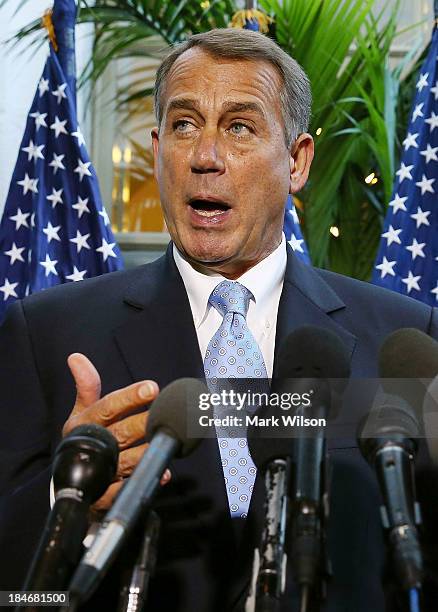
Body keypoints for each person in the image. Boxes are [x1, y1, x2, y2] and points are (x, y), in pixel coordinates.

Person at [0, 27, 437, 611]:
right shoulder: (46, 335)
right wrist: (71, 494)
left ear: (298, 162)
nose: (205, 157)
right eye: (183, 126)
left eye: (239, 127)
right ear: (157, 151)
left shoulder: (402, 340)